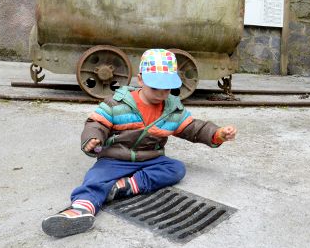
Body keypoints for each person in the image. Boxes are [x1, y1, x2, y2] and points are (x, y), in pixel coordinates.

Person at [42, 48, 237, 237]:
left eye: (167, 88)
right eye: (155, 88)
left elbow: (193, 128)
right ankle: (80, 210)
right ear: (141, 79)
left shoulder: (173, 109)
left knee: (176, 168)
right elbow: (96, 123)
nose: (162, 94)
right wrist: (93, 138)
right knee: (96, 177)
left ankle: (127, 185)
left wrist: (217, 134)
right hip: (115, 157)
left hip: (150, 158)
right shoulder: (117, 103)